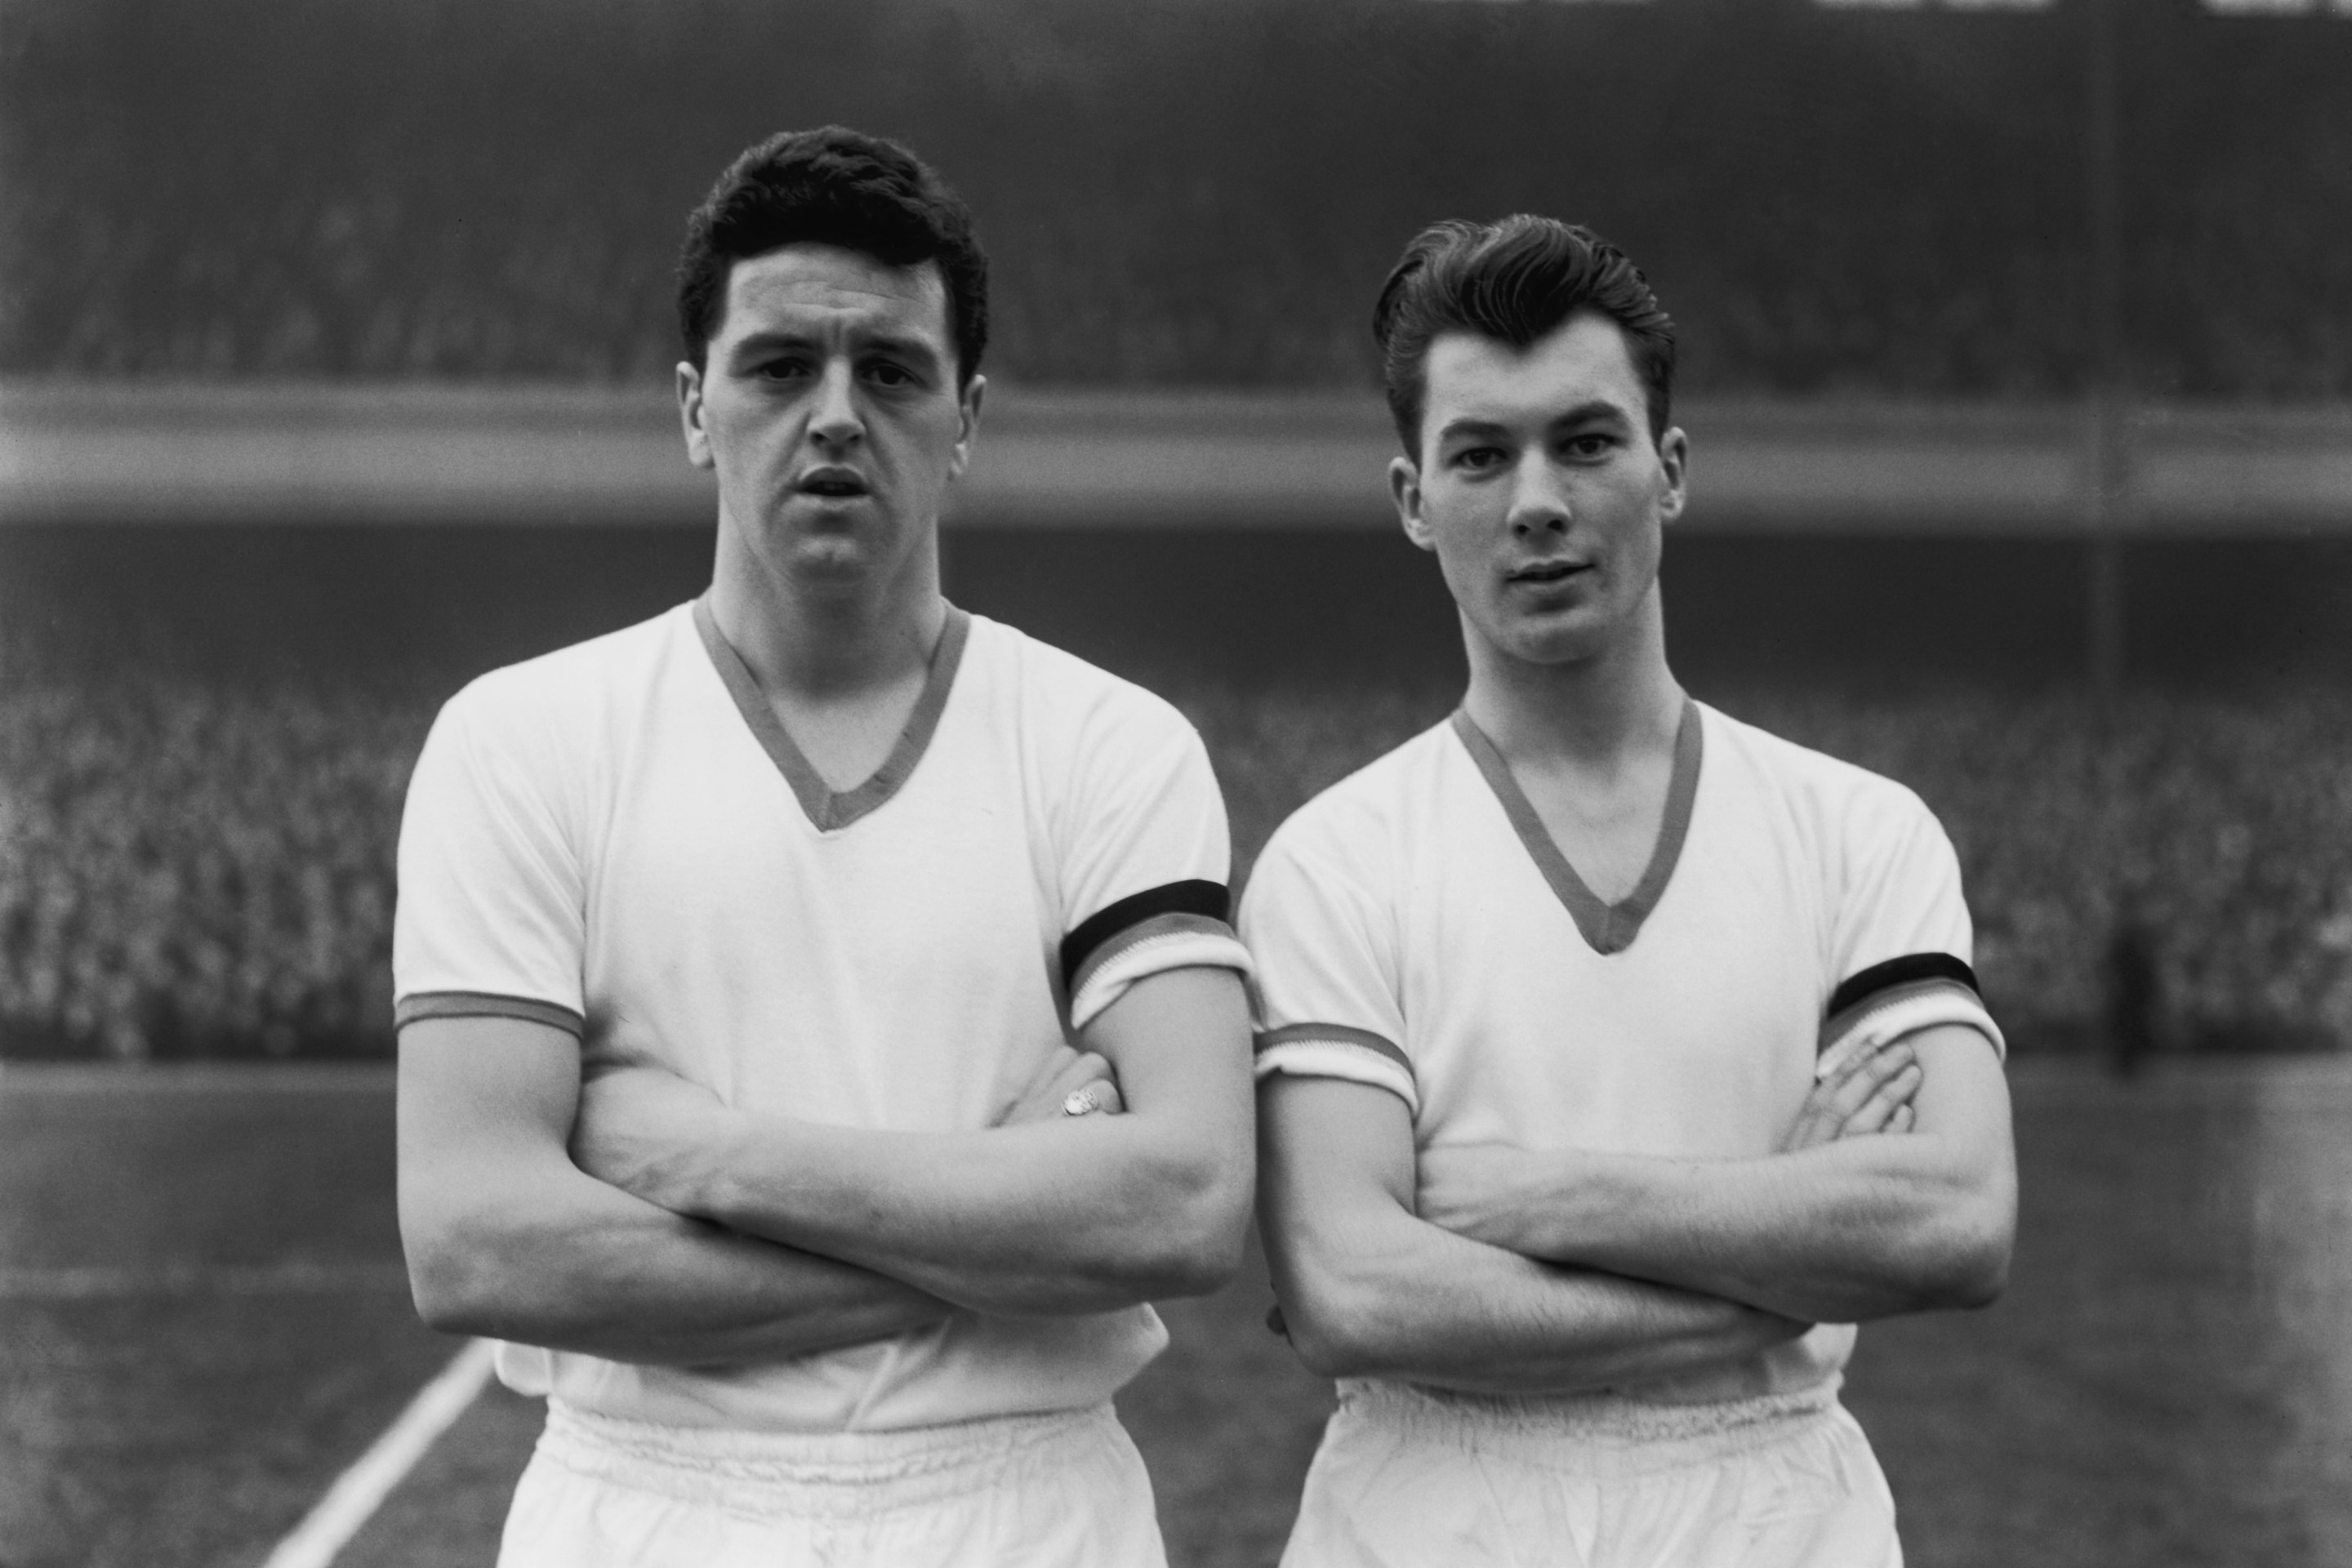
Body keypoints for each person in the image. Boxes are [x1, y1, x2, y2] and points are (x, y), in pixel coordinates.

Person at [391, 127, 1255, 1568]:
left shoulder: (1116, 745)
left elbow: (1187, 1202)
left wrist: (712, 1155)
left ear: (966, 416)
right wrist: (1007, 1237)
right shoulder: (519, 738)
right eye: (782, 365)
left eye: (894, 372)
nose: (838, 414)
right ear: (694, 405)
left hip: (1024, 1509)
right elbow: (476, 1241)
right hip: (651, 1503)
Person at [1244, 216, 2016, 1567]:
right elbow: (1353, 1289)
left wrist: (1543, 1199)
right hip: (1433, 1502)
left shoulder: (1860, 831)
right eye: (1480, 454)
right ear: (1414, 500)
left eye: (1585, 441)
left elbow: (1955, 1220)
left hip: (1775, 1502)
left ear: (1667, 471)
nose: (1536, 498)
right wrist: (1771, 1257)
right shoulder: (1332, 859)